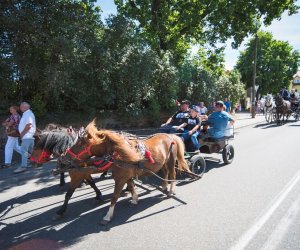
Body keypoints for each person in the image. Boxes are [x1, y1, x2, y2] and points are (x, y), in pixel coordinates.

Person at [14, 102, 36, 174]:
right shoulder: (27, 113)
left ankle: (23, 166)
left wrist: (22, 134)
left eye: (21, 107)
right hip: (29, 136)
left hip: (27, 136)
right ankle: (35, 162)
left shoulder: (28, 114)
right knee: (31, 151)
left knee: (23, 151)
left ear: (26, 107)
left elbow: (29, 125)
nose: (20, 108)